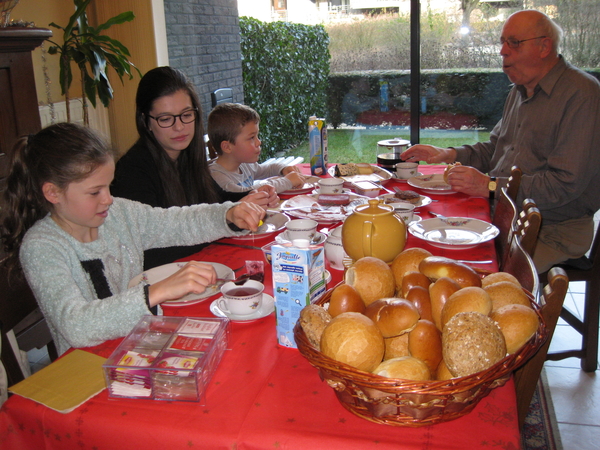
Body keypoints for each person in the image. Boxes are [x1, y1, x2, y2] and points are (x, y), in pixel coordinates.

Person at [0, 123, 264, 355]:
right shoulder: (42, 246)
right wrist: (157, 291)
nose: (108, 199)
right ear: (53, 193)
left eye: (108, 186)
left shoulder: (118, 214)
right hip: (85, 367)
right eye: (94, 192)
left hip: (138, 344)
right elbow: (76, 326)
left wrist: (227, 215)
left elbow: (176, 223)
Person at [401, 10, 600, 273]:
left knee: (469, 276)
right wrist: (448, 154)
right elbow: (496, 149)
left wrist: (490, 186)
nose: (503, 51)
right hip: (502, 213)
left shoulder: (582, 95)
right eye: (503, 42)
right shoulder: (519, 91)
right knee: (422, 246)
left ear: (545, 46)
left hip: (550, 230)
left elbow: (563, 186)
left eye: (514, 43)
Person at [111, 66, 278, 269]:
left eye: (186, 115)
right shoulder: (132, 173)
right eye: (165, 119)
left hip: (201, 264)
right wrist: (228, 215)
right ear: (146, 122)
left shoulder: (188, 156)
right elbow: (154, 247)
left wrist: (253, 197)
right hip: (164, 279)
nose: (179, 126)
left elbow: (215, 199)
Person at [207, 103, 306, 194]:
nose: (259, 142)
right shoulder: (216, 176)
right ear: (227, 147)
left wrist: (283, 169)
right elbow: (243, 194)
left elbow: (268, 169)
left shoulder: (244, 165)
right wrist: (286, 182)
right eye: (251, 137)